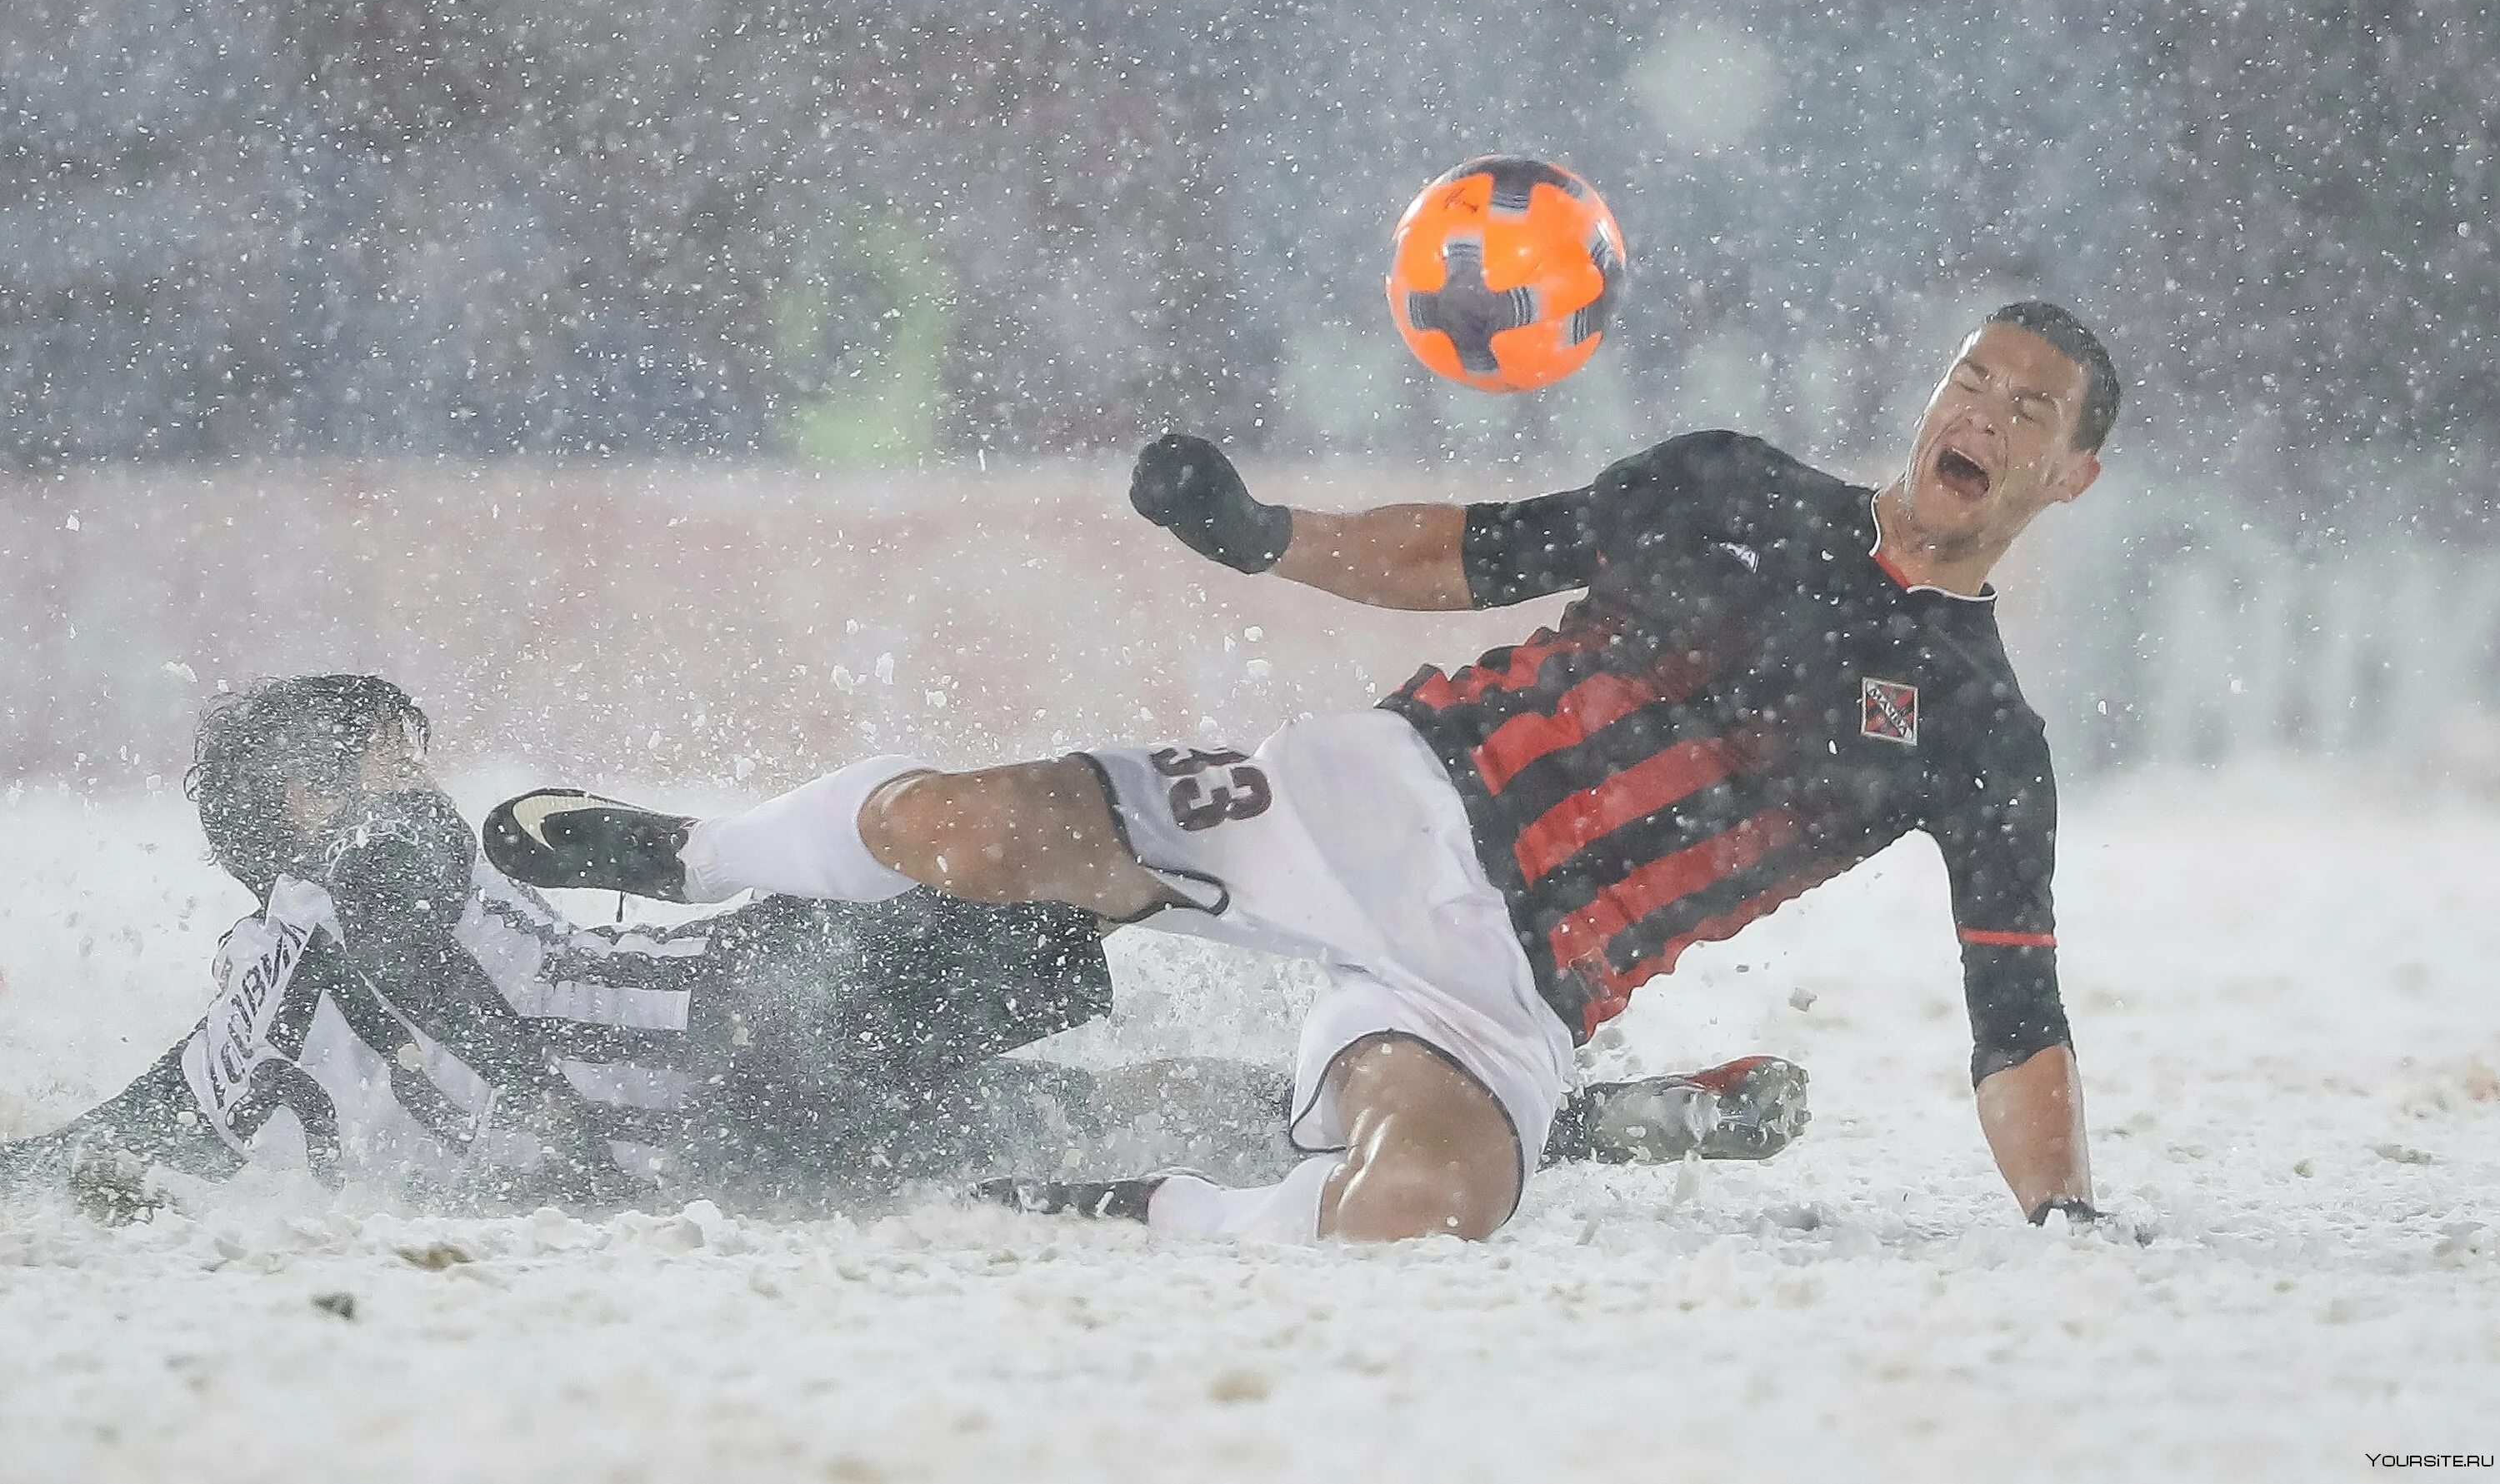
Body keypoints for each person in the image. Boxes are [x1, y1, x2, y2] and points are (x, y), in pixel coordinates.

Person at [495, 303, 2113, 1248]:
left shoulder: (1983, 735)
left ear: (2071, 474)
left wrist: (2066, 1225)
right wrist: (1262, 538)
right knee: (964, 827)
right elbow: (1468, 556)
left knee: (1410, 1212)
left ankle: (1154, 1207)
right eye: (1973, 376)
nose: (1983, 410)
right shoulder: (1728, 484)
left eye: (2028, 408)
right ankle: (695, 850)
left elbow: (2018, 1021)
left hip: (1515, 987)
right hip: (1379, 791)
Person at [2, 677, 1802, 1216]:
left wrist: (56, 1168)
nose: (409, 769)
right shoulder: (344, 888)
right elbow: (192, 1095)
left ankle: (1561, 1121)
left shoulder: (325, 969)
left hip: (727, 1130)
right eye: (369, 754)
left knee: (1120, 1108)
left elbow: (172, 1119)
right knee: (1082, 877)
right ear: (304, 810)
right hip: (741, 1025)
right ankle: (1512, 1067)